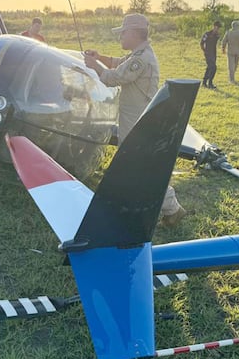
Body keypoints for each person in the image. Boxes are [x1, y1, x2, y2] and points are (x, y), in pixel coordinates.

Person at [83, 13, 187, 226]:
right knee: (138, 166)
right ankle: (158, 209)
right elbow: (118, 64)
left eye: (122, 32)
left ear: (133, 33)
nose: (120, 36)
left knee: (141, 166)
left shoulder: (141, 58)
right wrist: (99, 57)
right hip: (135, 121)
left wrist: (93, 65)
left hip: (139, 123)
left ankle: (171, 209)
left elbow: (115, 77)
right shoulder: (138, 54)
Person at [221, 20, 239, 84]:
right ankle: (232, 78)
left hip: (230, 51)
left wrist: (223, 49)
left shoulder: (228, 33)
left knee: (231, 66)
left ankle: (231, 79)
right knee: (235, 65)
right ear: (238, 26)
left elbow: (223, 42)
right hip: (238, 51)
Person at [200, 20, 222, 89]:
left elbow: (216, 39)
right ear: (214, 26)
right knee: (213, 68)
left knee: (209, 68)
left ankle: (204, 82)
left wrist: (216, 34)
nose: (218, 29)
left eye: (219, 28)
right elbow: (201, 43)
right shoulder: (207, 34)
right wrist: (204, 51)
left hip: (213, 53)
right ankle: (210, 83)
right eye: (217, 28)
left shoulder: (217, 35)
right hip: (208, 53)